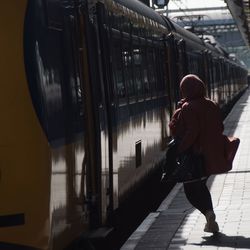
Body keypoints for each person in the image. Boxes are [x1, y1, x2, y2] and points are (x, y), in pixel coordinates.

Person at [169, 74, 240, 233]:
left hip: (195, 155)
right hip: (212, 155)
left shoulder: (188, 107)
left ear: (185, 89)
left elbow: (192, 131)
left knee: (190, 190)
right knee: (200, 185)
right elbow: (220, 128)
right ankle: (210, 219)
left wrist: (180, 149)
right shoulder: (211, 104)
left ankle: (209, 215)